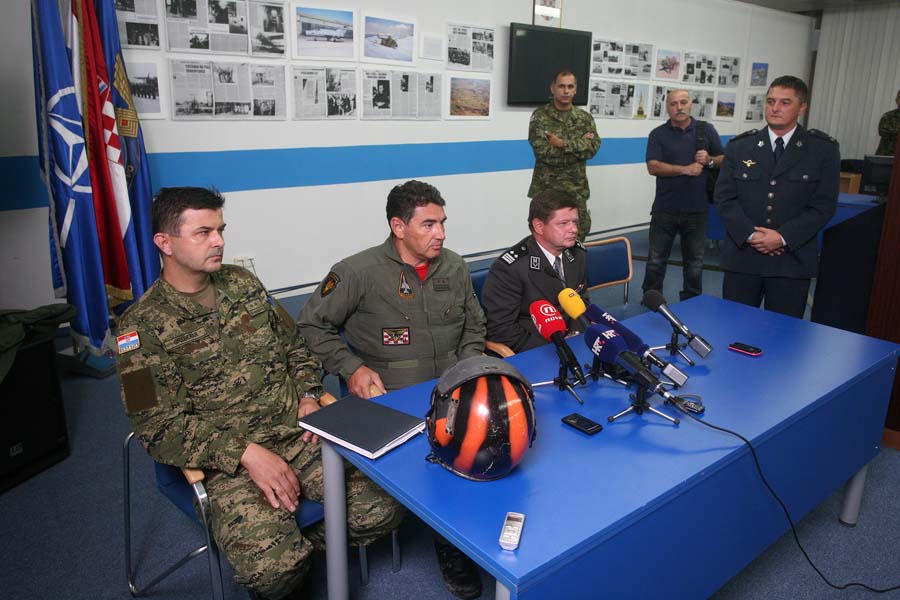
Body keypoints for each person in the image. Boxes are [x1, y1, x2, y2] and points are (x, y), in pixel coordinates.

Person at [115, 187, 403, 600]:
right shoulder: (137, 328)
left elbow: (296, 347)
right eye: (203, 232)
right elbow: (156, 428)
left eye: (220, 229)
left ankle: (296, 548)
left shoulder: (244, 284)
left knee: (387, 507)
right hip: (226, 465)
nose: (219, 241)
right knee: (273, 571)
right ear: (165, 243)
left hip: (299, 433)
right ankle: (285, 561)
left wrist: (307, 392)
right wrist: (246, 453)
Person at [297, 179, 486, 599]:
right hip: (390, 403)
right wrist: (352, 367)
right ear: (398, 227)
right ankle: (450, 542)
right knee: (440, 469)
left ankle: (456, 541)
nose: (441, 233)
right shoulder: (358, 272)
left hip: (451, 393)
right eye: (429, 224)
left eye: (443, 223)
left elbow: (475, 323)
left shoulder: (453, 267)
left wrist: (470, 364)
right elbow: (310, 325)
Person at [715, 76, 840, 319]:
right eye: (771, 101)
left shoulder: (822, 150)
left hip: (791, 261)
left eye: (785, 102)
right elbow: (725, 198)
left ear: (802, 107)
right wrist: (753, 235)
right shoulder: (740, 146)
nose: (775, 108)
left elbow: (823, 205)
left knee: (784, 337)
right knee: (733, 328)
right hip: (743, 258)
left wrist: (782, 237)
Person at [481, 189, 588, 353]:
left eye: (575, 222)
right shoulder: (509, 268)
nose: (573, 229)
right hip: (535, 347)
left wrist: (575, 333)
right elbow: (500, 329)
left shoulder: (577, 254)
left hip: (573, 340)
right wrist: (556, 347)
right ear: (539, 226)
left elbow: (581, 300)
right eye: (564, 223)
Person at [643, 89, 724, 301]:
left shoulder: (707, 130)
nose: (679, 107)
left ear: (691, 105)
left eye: (683, 102)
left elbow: (724, 159)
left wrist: (710, 160)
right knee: (655, 260)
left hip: (697, 209)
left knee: (695, 262)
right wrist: (685, 169)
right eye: (673, 104)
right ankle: (652, 299)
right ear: (667, 107)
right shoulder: (658, 134)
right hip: (665, 208)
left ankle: (692, 301)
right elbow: (653, 167)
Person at [528, 70, 601, 241]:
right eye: (561, 86)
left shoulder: (584, 118)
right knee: (544, 236)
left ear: (575, 90)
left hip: (576, 189)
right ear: (553, 88)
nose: (566, 91)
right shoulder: (540, 116)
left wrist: (562, 144)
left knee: (576, 235)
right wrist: (578, 147)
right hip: (547, 188)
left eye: (570, 86)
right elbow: (543, 152)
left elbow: (592, 149)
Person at [875, 88, 900, 156]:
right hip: (887, 155)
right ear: (897, 100)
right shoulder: (888, 116)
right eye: (899, 98)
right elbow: (882, 131)